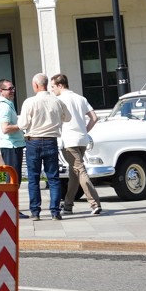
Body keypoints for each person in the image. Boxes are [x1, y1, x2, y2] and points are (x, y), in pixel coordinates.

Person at [52, 73, 102, 216]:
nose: (52, 90)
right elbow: (94, 117)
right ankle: (68, 205)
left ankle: (95, 203)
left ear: (60, 85)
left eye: (53, 86)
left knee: (79, 170)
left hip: (69, 141)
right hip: (82, 140)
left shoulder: (59, 100)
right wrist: (84, 131)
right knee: (74, 173)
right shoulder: (81, 98)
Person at [18, 72, 66, 221]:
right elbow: (67, 117)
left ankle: (35, 212)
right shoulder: (57, 101)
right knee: (53, 178)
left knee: (33, 178)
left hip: (34, 141)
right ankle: (55, 211)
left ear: (36, 85)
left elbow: (23, 124)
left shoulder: (29, 102)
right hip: (51, 140)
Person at [0, 78, 23, 181]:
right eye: (9, 89)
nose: (12, 91)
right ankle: (8, 198)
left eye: (13, 88)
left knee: (14, 178)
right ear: (1, 91)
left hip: (13, 146)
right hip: (11, 146)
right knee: (13, 179)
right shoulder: (4, 107)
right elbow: (5, 129)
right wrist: (21, 125)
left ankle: (11, 197)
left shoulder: (8, 104)